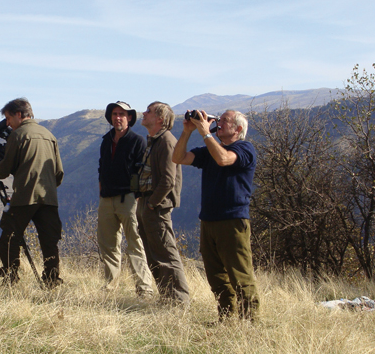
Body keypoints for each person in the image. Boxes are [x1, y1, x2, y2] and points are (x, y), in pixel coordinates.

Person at [172, 109, 260, 321]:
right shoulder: (209, 150)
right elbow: (178, 157)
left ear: (238, 129)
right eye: (218, 120)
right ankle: (226, 318)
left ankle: (251, 321)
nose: (219, 123)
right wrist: (187, 132)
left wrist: (206, 133)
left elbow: (224, 159)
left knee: (240, 274)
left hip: (233, 219)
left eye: (224, 121)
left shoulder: (244, 148)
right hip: (209, 219)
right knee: (216, 275)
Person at [0, 98, 64, 288]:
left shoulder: (18, 135)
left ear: (19, 114)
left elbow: (4, 171)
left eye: (9, 118)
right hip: (49, 198)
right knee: (49, 241)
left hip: (25, 197)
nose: (8, 123)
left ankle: (11, 280)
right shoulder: (49, 135)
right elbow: (59, 173)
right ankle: (52, 280)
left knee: (9, 238)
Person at [97, 101, 154, 296]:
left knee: (135, 243)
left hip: (129, 199)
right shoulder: (106, 140)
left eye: (122, 114)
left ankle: (144, 288)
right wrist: (101, 187)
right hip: (106, 199)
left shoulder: (138, 141)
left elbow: (143, 170)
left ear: (129, 117)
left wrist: (137, 196)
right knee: (108, 245)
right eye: (115, 114)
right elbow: (101, 165)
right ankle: (109, 287)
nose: (118, 117)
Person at [136, 102, 190, 305]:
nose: (144, 113)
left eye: (148, 111)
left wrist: (152, 203)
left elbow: (169, 179)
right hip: (148, 202)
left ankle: (179, 301)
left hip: (156, 205)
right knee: (153, 253)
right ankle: (167, 298)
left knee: (166, 252)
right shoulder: (154, 141)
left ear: (160, 118)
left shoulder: (167, 141)